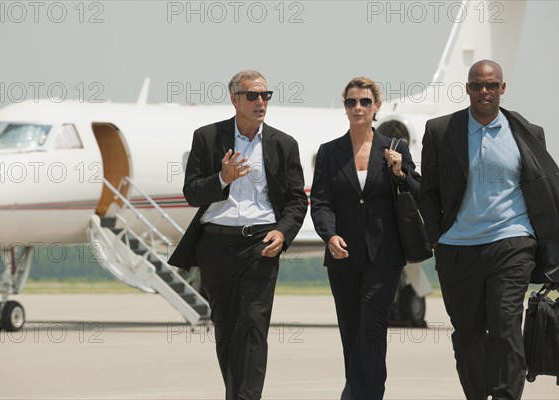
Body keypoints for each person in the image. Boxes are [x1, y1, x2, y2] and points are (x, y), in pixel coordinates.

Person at [418, 59, 559, 399]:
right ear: (467, 89)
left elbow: (545, 193)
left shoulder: (528, 132)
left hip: (511, 243)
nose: (484, 92)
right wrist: (436, 237)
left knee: (505, 327)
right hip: (457, 248)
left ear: (503, 88)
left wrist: (552, 250)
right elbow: (429, 192)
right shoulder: (441, 131)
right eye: (476, 85)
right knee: (467, 334)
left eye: (491, 85)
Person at [168, 69, 308, 400]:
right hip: (216, 244)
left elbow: (296, 201)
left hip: (261, 244)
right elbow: (192, 193)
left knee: (254, 327)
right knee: (227, 330)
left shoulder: (284, 144)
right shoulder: (207, 138)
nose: (261, 102)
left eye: (265, 96)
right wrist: (222, 178)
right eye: (253, 96)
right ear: (235, 100)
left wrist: (283, 233)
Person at [310, 77, 422, 399]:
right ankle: (358, 391)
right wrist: (329, 235)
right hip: (342, 256)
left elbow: (418, 192)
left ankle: (363, 394)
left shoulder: (395, 148)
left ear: (377, 107)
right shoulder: (330, 152)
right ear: (344, 107)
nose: (358, 108)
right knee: (351, 331)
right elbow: (320, 202)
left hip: (384, 256)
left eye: (364, 102)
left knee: (372, 329)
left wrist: (400, 172)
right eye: (351, 102)